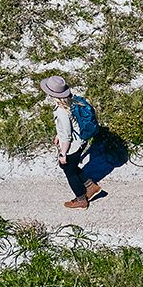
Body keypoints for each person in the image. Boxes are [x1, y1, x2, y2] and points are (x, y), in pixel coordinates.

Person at [40, 75, 101, 209]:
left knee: (68, 170)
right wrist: (58, 134)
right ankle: (91, 186)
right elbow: (71, 125)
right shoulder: (71, 102)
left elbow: (67, 137)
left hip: (72, 146)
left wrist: (63, 154)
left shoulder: (61, 112)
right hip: (81, 141)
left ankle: (81, 199)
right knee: (71, 167)